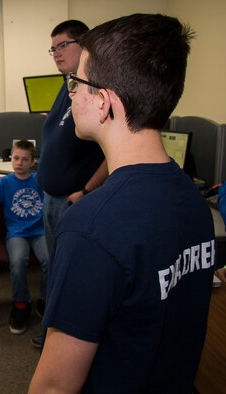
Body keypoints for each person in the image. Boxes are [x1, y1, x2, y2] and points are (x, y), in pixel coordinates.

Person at [28, 14, 215, 393]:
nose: (72, 94)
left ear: (104, 103)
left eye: (76, 83)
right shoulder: (192, 201)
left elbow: (53, 387)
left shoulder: (89, 229)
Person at [31, 19, 108, 349]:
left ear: (85, 44)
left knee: (69, 274)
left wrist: (86, 192)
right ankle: (52, 328)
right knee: (55, 266)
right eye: (53, 48)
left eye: (63, 45)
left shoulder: (97, 88)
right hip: (51, 197)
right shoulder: (69, 86)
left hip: (74, 200)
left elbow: (111, 149)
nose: (56, 53)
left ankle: (62, 341)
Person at [0, 140, 48, 335]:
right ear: (11, 159)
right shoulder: (4, 183)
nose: (20, 163)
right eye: (16, 158)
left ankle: (45, 300)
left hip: (39, 231)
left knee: (50, 260)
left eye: (25, 159)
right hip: (16, 233)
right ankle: (21, 304)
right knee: (18, 260)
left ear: (32, 162)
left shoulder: (39, 180)